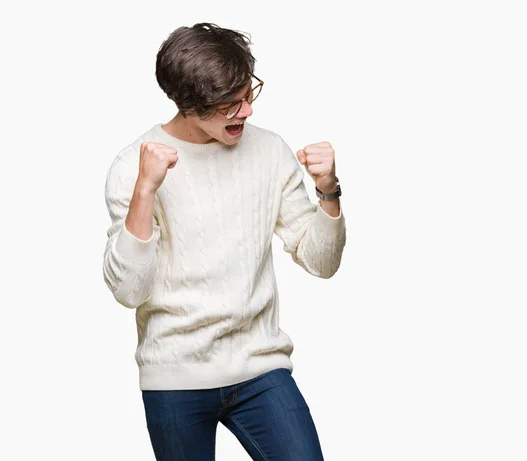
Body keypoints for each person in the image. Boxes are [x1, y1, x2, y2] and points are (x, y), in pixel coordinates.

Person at [102, 22, 346, 461]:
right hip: (175, 376)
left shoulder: (270, 152)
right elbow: (128, 291)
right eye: (229, 105)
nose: (246, 111)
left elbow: (321, 262)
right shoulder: (132, 166)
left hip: (260, 367)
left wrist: (327, 190)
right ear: (188, 104)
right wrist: (145, 190)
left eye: (248, 94)